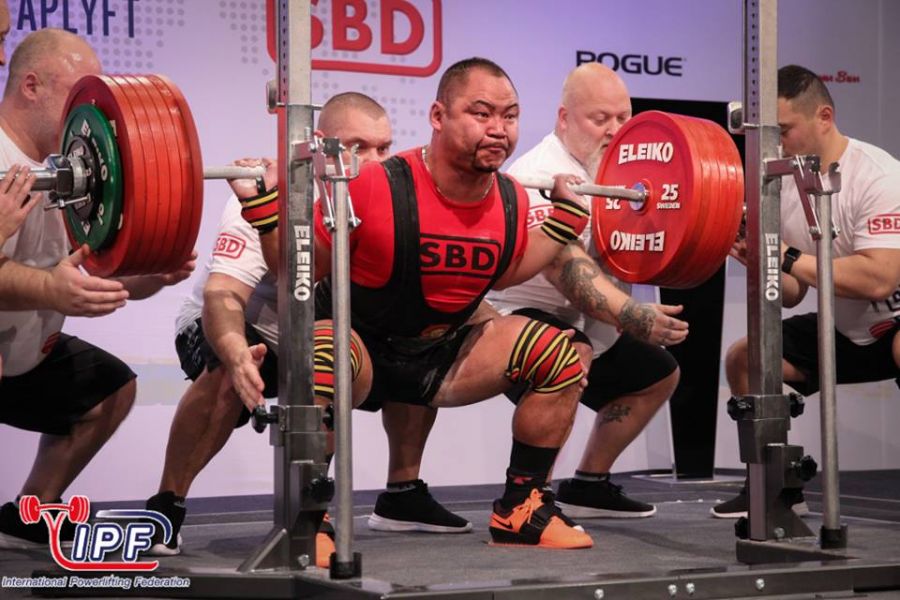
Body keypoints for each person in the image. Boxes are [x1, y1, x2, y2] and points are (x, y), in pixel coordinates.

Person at [235, 57, 598, 549]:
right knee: (323, 351)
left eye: (509, 116)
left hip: (439, 357)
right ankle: (308, 520)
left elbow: (507, 270)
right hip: (361, 350)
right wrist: (263, 212)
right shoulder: (374, 185)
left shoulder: (511, 198)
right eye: (481, 113)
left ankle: (522, 509)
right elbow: (295, 271)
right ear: (438, 116)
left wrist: (563, 221)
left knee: (558, 353)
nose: (498, 129)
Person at [146, 92, 470, 564]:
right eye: (358, 147)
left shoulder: (393, 199)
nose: (375, 161)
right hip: (243, 325)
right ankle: (166, 505)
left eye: (384, 147)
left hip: (318, 331)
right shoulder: (267, 195)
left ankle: (401, 494)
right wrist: (235, 353)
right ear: (320, 146)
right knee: (227, 372)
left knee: (416, 334)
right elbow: (222, 296)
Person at [0, 29, 194, 548]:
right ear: (32, 87)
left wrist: (151, 275)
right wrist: (50, 289)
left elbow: (93, 270)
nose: (83, 110)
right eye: (75, 92)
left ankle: (29, 513)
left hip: (26, 354)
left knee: (109, 389)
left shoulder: (69, 170)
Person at [488, 63, 685, 518]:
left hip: (588, 321)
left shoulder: (623, 171)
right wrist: (633, 314)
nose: (615, 130)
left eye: (623, 118)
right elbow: (565, 269)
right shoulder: (539, 173)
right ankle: (528, 500)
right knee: (568, 353)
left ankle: (589, 484)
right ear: (564, 118)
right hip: (518, 319)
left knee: (658, 375)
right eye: (600, 119)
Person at [713, 65, 900, 518]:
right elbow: (794, 291)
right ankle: (770, 487)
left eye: (784, 130)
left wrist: (789, 256)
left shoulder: (878, 176)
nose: (775, 144)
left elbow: (879, 278)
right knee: (746, 359)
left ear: (824, 117)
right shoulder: (785, 182)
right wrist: (761, 259)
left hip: (894, 319)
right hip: (845, 327)